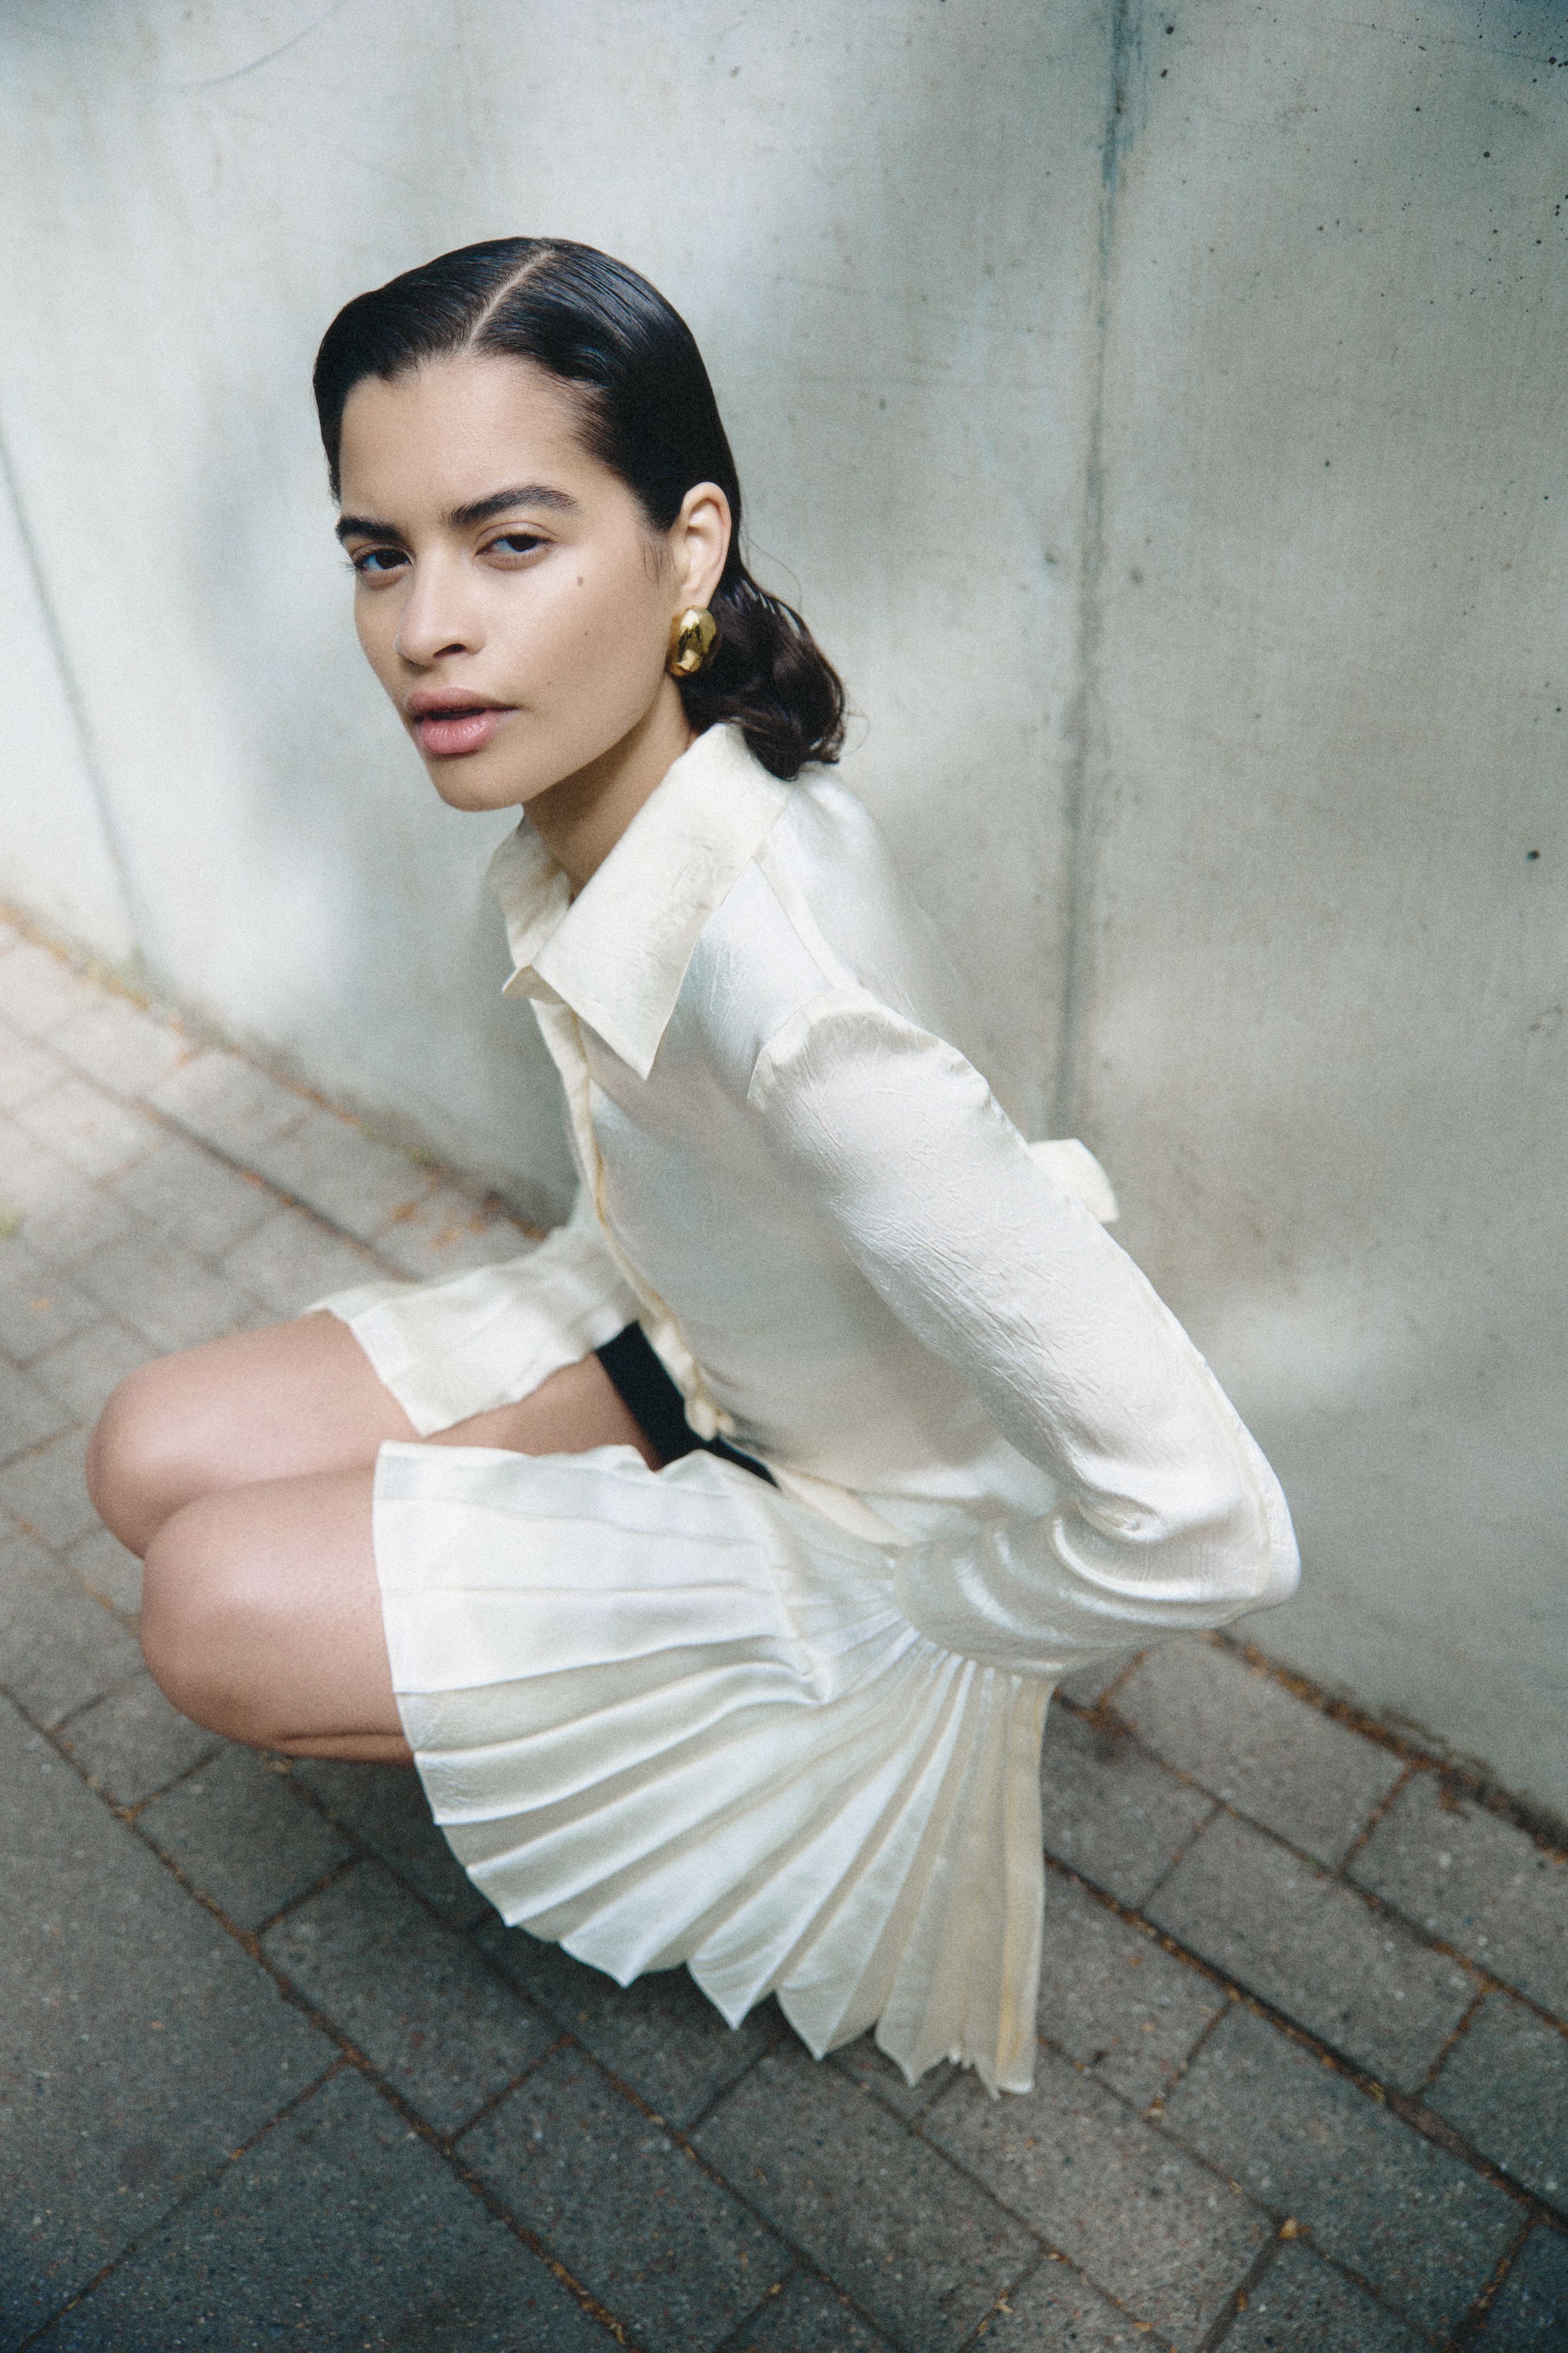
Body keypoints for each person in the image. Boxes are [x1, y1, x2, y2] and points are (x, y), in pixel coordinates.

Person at [87, 238, 1297, 2094]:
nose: (425, 629)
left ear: (687, 547)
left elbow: (1210, 1521)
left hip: (867, 1527)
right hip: (688, 1346)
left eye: (509, 541)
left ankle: (725, 1719)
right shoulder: (626, 810)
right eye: (378, 554)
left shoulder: (781, 995)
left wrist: (928, 1621)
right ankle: (592, 1526)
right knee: (147, 1453)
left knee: (214, 1609)